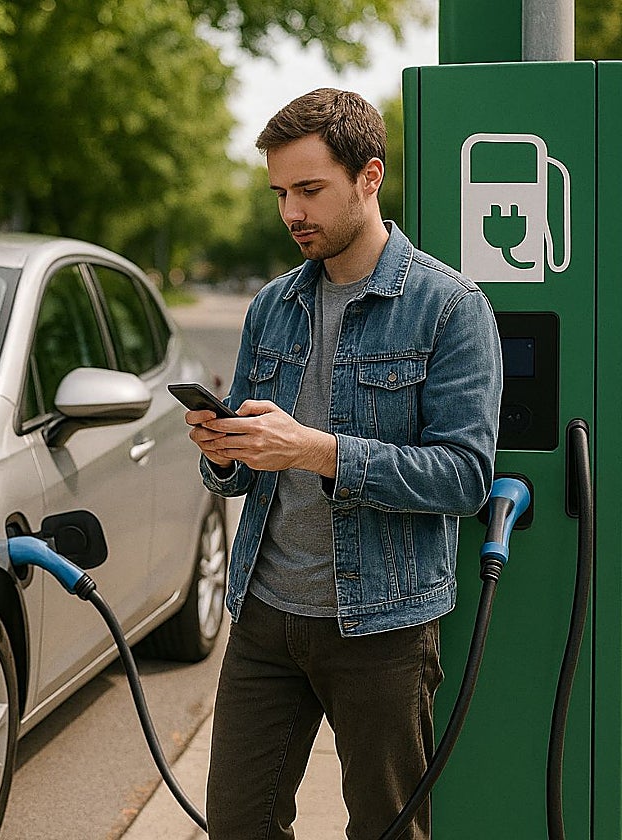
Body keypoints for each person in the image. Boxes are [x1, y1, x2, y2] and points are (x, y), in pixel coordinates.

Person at [186, 88, 502, 840]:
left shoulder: (450, 308)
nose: (291, 211)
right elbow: (247, 466)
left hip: (384, 628)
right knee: (238, 824)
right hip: (265, 614)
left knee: (387, 829)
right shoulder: (271, 307)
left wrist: (317, 450)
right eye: (280, 193)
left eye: (309, 189)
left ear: (369, 177)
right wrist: (224, 452)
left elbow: (464, 477)